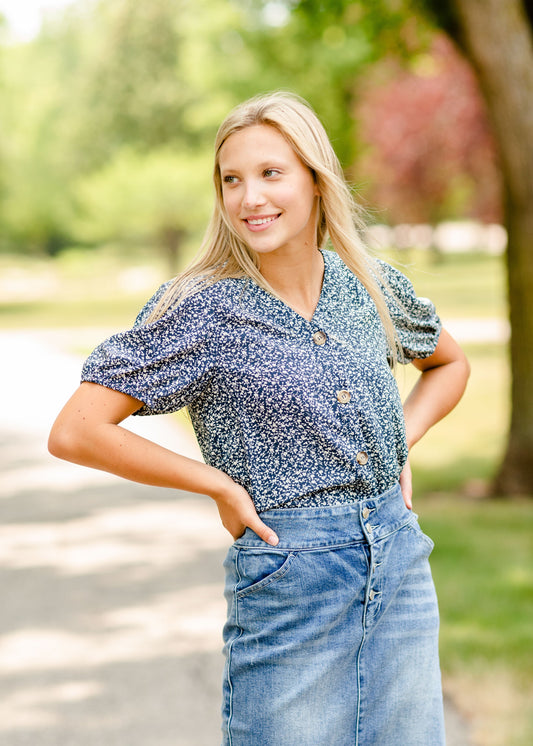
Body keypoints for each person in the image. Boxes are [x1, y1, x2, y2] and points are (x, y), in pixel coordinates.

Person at [49, 91, 470, 746]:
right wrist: (216, 484)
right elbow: (77, 430)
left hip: (398, 566)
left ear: (313, 178)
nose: (250, 198)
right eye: (231, 180)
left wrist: (397, 445)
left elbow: (448, 365)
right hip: (289, 575)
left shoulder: (367, 284)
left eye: (271, 173)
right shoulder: (201, 309)